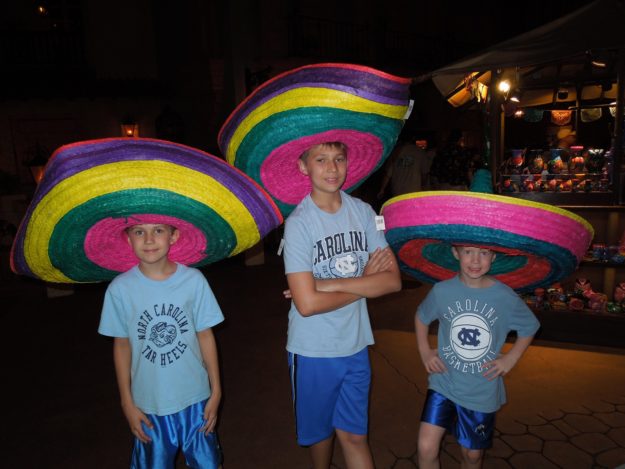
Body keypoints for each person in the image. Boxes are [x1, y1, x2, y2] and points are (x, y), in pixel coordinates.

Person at [283, 141, 402, 468]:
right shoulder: (299, 223)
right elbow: (307, 305)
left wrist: (326, 284)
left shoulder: (363, 213)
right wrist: (364, 283)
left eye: (338, 159)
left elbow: (392, 281)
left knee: (355, 437)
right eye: (320, 160)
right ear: (303, 166)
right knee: (320, 435)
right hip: (313, 350)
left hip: (355, 344)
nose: (332, 168)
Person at [98, 222, 225, 469]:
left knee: (209, 463)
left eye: (158, 230)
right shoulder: (119, 290)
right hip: (149, 404)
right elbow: (122, 346)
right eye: (139, 232)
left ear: (173, 236)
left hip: (196, 398)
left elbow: (205, 336)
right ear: (128, 239)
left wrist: (216, 390)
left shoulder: (193, 281)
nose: (148, 239)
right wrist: (127, 402)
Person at [415, 244, 539, 468]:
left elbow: (530, 326)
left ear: (493, 256)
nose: (475, 260)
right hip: (444, 381)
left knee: (472, 455)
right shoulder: (442, 291)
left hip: (481, 390)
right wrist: (425, 351)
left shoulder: (505, 297)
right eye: (468, 252)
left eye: (483, 253)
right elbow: (422, 317)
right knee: (426, 446)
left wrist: (510, 358)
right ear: (455, 253)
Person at [377, 135, 435, 199]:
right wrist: (423, 186)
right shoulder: (421, 152)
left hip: (397, 191)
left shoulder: (396, 151)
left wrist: (382, 189)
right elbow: (424, 174)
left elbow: (388, 174)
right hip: (413, 191)